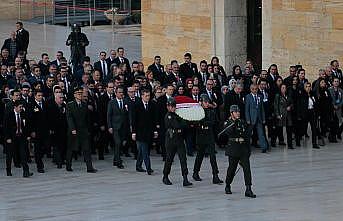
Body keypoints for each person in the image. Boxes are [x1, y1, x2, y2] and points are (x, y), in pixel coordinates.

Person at [223, 105, 256, 198]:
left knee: (247, 169)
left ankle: (248, 189)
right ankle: (228, 184)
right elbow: (228, 132)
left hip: (243, 148)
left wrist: (248, 150)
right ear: (231, 113)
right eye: (235, 112)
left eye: (238, 112)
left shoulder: (242, 122)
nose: (238, 113)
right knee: (232, 169)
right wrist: (234, 123)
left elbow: (246, 135)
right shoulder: (228, 122)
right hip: (233, 148)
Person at [192, 94, 223, 184]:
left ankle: (215, 175)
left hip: (209, 134)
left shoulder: (211, 111)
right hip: (200, 135)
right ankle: (195, 172)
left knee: (212, 156)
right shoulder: (197, 111)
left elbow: (213, 122)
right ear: (201, 102)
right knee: (200, 155)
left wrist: (203, 123)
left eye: (207, 102)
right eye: (204, 102)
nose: (206, 103)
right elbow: (195, 122)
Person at [66, 87, 97, 173]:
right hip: (74, 130)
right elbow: (69, 118)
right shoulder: (70, 105)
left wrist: (88, 130)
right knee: (71, 149)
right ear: (75, 95)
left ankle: (89, 167)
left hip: (83, 130)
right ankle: (68, 165)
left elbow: (87, 119)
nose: (80, 95)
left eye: (81, 93)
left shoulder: (84, 104)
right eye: (78, 94)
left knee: (87, 149)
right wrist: (72, 129)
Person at [162, 97, 192, 187]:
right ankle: (165, 176)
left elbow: (185, 125)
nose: (173, 108)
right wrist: (181, 123)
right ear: (168, 106)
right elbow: (177, 125)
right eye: (171, 106)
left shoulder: (178, 115)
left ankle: (185, 178)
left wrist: (182, 123)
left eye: (174, 106)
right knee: (169, 159)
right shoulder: (168, 116)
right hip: (171, 140)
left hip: (179, 139)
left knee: (183, 159)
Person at [3, 100, 33, 177]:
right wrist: (7, 138)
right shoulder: (9, 115)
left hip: (21, 137)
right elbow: (5, 128)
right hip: (12, 138)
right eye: (20, 107)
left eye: (22, 107)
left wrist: (27, 135)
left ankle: (26, 172)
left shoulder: (23, 114)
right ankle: (8, 170)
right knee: (9, 155)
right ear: (15, 107)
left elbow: (27, 126)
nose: (21, 108)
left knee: (23, 154)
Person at [131, 89, 158, 175]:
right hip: (140, 132)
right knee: (145, 150)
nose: (148, 97)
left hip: (149, 132)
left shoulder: (152, 105)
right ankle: (149, 168)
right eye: (146, 96)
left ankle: (138, 165)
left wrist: (155, 131)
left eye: (149, 95)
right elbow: (134, 120)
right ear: (142, 96)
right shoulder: (137, 105)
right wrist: (134, 132)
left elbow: (154, 119)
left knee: (142, 151)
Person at [107, 86, 129, 169]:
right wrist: (109, 126)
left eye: (122, 92)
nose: (121, 94)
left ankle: (115, 159)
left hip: (123, 126)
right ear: (115, 93)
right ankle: (119, 161)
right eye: (119, 92)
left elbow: (128, 114)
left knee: (121, 144)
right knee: (118, 143)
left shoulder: (125, 101)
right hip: (115, 126)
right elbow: (109, 115)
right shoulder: (111, 102)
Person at [245, 84, 268, 153]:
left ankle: (264, 147)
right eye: (253, 89)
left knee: (261, 133)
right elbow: (247, 109)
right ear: (251, 89)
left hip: (259, 118)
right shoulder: (248, 97)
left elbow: (262, 109)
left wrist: (263, 118)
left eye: (256, 89)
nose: (255, 90)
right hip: (251, 119)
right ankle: (247, 148)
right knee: (248, 134)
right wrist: (248, 119)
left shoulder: (260, 96)